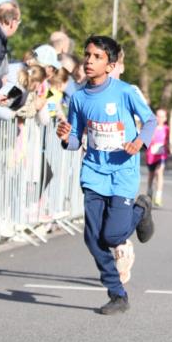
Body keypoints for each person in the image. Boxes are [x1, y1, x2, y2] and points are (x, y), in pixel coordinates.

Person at [56, 35, 156, 316]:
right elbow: (76, 138)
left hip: (123, 171)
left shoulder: (125, 92)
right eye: (87, 55)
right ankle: (117, 294)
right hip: (94, 173)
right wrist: (65, 138)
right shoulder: (77, 98)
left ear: (110, 65)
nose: (88, 60)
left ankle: (141, 208)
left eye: (97, 57)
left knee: (112, 236)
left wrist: (140, 142)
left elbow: (150, 120)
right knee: (92, 238)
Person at [146, 108, 169, 207]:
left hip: (162, 154)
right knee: (151, 174)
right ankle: (150, 190)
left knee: (159, 172)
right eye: (158, 116)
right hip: (151, 155)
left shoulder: (167, 128)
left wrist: (168, 147)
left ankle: (158, 195)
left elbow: (167, 140)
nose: (160, 118)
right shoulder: (151, 127)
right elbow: (146, 140)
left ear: (165, 118)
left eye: (162, 116)